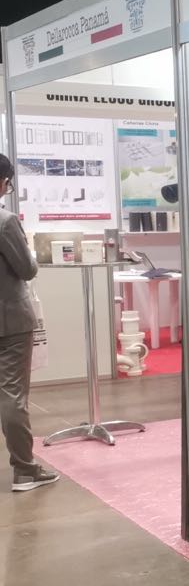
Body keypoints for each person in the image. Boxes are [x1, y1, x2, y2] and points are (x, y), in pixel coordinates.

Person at [0, 155, 54, 493]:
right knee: (12, 394)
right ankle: (24, 470)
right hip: (9, 320)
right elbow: (27, 269)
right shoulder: (6, 222)